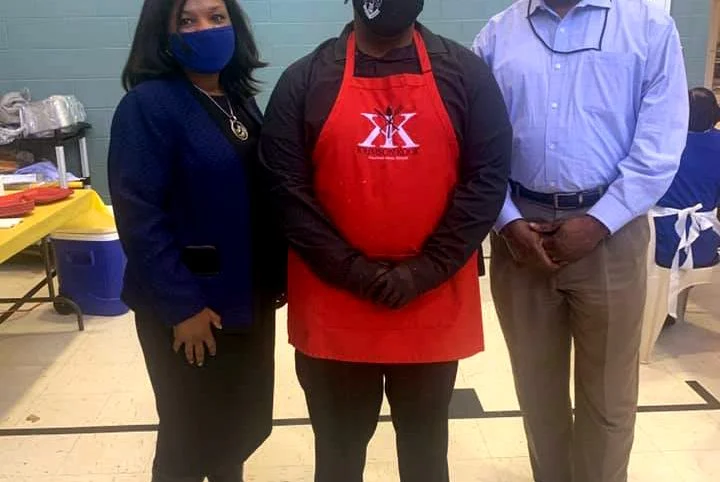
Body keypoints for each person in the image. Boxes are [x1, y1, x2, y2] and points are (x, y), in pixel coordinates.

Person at [261, 0, 512, 480]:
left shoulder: (466, 75)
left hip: (430, 299)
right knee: (338, 457)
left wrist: (425, 269)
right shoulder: (304, 80)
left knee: (425, 457)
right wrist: (352, 271)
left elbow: (487, 180)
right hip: (334, 303)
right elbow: (284, 190)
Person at [473, 1, 688, 481]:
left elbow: (659, 145)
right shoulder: (496, 36)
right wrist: (506, 221)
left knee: (609, 399)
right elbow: (475, 144)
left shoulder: (649, 28)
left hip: (612, 233)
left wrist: (598, 222)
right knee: (537, 395)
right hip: (520, 239)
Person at [108, 0, 285, 481]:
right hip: (189, 309)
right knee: (188, 441)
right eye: (187, 20)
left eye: (216, 16)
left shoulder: (236, 99)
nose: (205, 28)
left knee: (234, 431)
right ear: (162, 35)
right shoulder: (148, 106)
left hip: (244, 299)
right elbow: (139, 216)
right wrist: (182, 307)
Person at [655, 88, 720, 310]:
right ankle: (678, 301)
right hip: (702, 239)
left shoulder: (661, 140)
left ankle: (661, 306)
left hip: (654, 235)